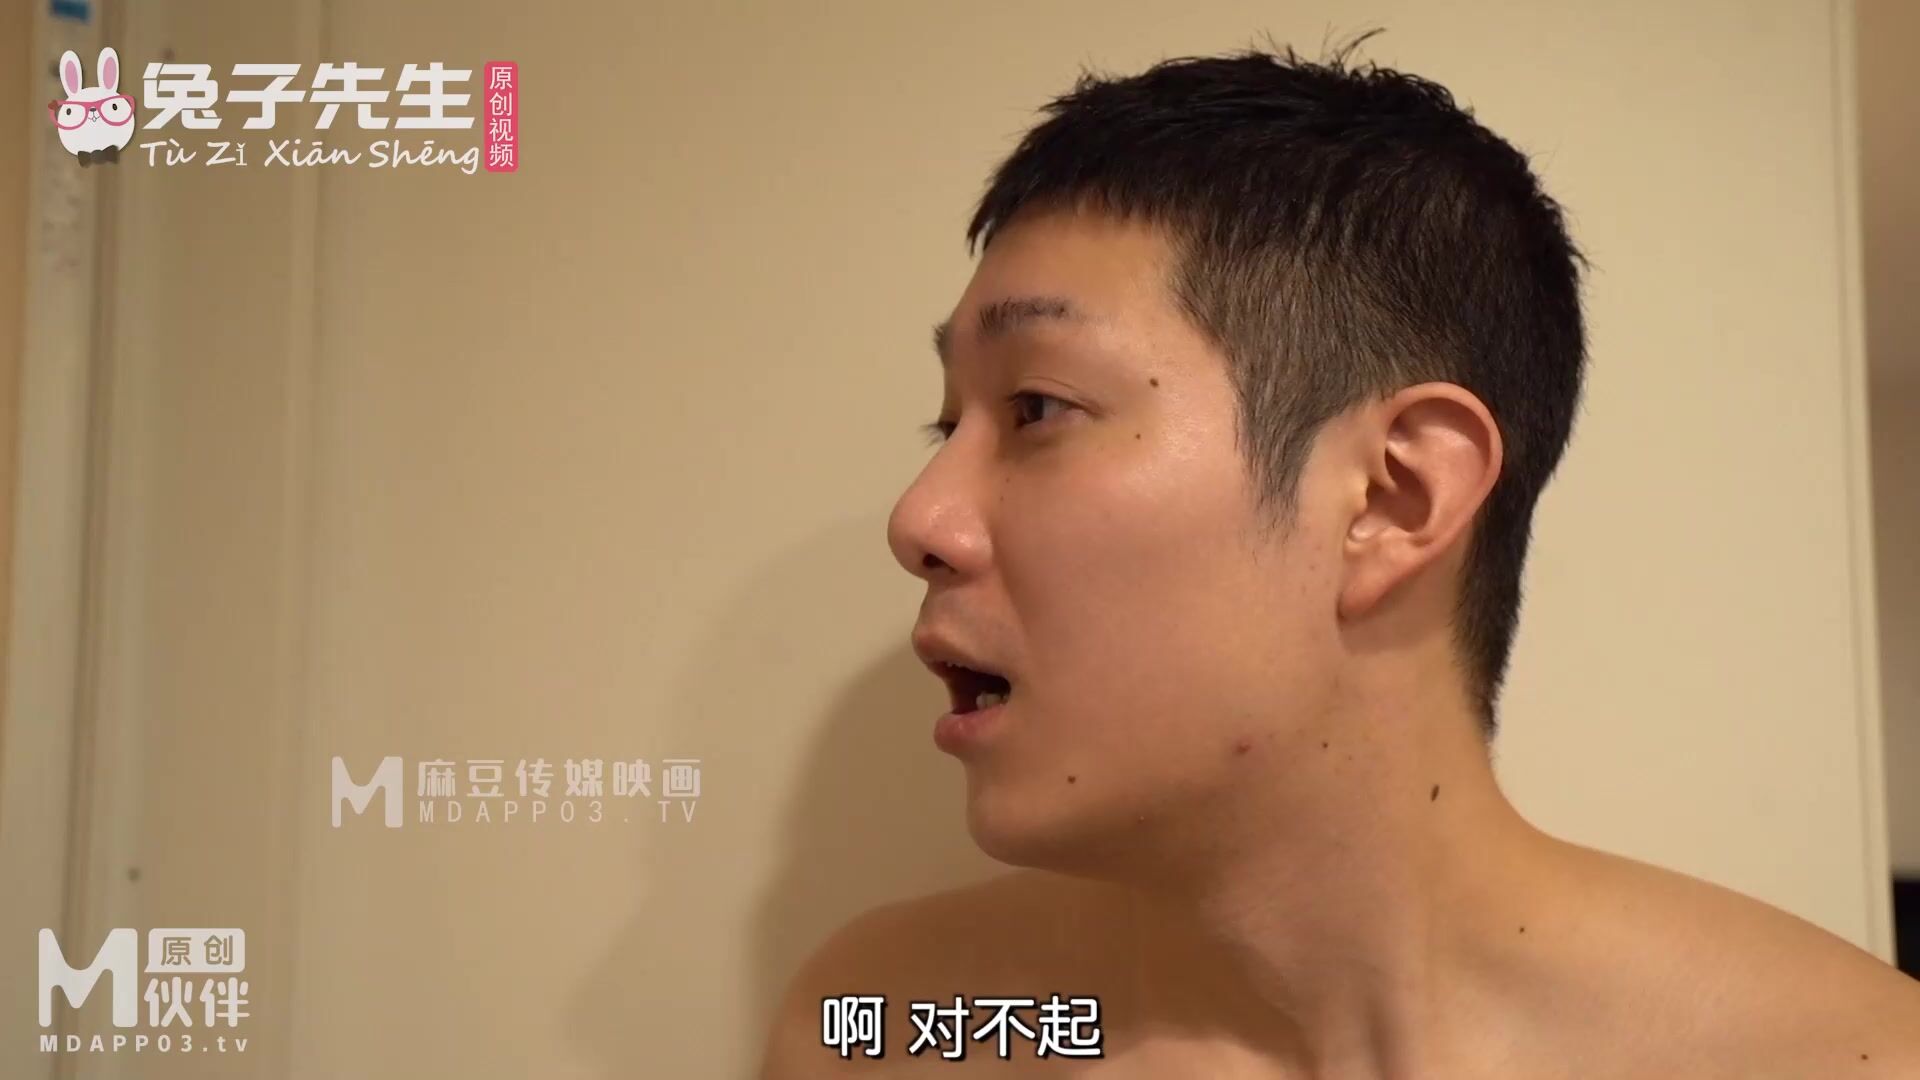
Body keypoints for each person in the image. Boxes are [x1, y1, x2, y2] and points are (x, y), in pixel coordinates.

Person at [760, 35, 1920, 1078]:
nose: (921, 520)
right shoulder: (889, 1029)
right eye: (945, 426)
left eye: (1037, 409)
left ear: (1393, 495)